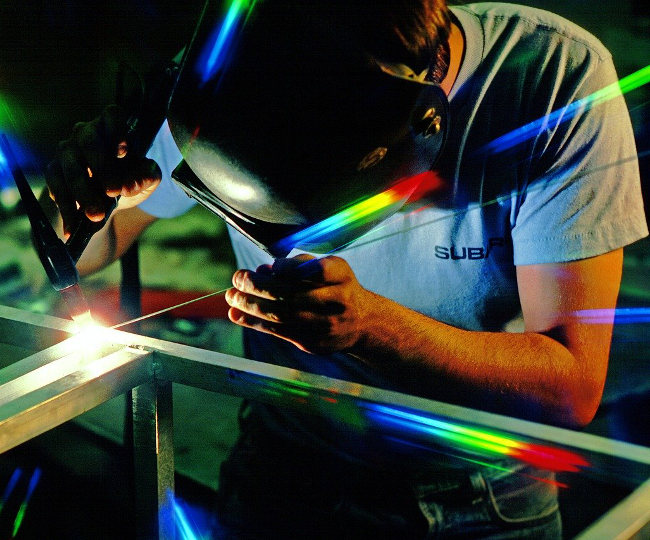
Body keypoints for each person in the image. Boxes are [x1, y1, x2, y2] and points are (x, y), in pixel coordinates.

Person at [45, 1, 648, 537]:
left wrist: (370, 329)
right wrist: (81, 200)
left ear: (419, 111)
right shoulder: (237, 72)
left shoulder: (553, 82)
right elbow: (94, 247)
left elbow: (570, 387)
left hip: (478, 498)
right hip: (281, 476)